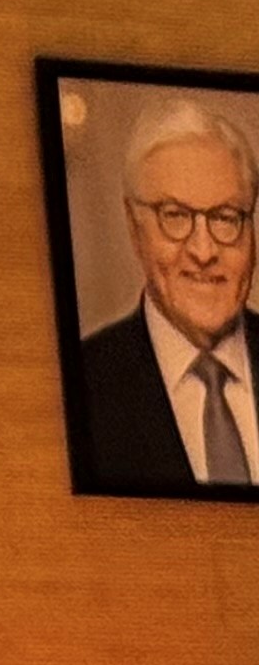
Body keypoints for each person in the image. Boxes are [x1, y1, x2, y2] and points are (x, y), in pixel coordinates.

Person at [68, 94, 259, 491]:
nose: (203, 251)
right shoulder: (82, 386)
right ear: (135, 227)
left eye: (226, 218)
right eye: (176, 216)